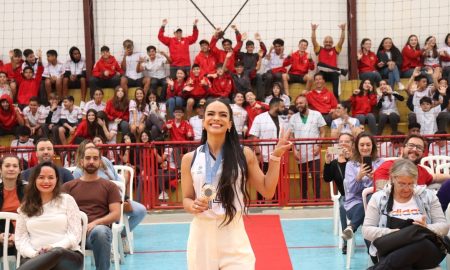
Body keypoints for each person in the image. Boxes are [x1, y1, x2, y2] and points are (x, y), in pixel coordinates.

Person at [181, 98, 292, 269]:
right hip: (201, 236)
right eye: (210, 114)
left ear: (230, 124)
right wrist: (192, 206)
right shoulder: (189, 159)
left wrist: (276, 156)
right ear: (203, 122)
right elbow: (187, 199)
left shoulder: (244, 154)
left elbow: (268, 191)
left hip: (233, 234)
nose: (216, 118)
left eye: (222, 115)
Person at [362, 159, 449, 269]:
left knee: (419, 242)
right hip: (392, 248)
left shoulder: (428, 196)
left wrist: (427, 228)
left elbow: (444, 226)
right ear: (392, 179)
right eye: (402, 184)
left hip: (426, 252)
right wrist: (391, 233)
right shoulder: (379, 198)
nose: (407, 189)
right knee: (406, 255)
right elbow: (366, 231)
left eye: (411, 184)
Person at [71, 140, 147, 252]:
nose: (92, 155)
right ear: (83, 156)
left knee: (141, 210)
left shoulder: (105, 161)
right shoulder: (78, 172)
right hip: (99, 202)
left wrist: (123, 198)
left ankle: (120, 236)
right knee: (109, 215)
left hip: (117, 197)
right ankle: (108, 240)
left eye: (94, 150)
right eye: (88, 152)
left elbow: (117, 180)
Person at [15, 162, 83, 270]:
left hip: (67, 255)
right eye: (41, 177)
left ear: (56, 180)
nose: (46, 181)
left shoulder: (67, 200)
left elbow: (75, 235)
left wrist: (52, 248)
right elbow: (20, 239)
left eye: (51, 177)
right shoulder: (25, 206)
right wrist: (34, 254)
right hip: (35, 258)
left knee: (56, 252)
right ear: (34, 180)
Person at [62, 146, 121, 270]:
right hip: (72, 233)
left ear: (100, 162)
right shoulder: (68, 187)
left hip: (94, 234)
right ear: (81, 161)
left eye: (95, 158)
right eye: (88, 158)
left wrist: (95, 223)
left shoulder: (110, 186)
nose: (91, 161)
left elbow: (116, 214)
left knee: (100, 232)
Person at [342, 132, 383, 240]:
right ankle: (373, 251)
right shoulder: (350, 165)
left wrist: (374, 178)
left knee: (369, 203)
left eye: (368, 145)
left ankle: (351, 227)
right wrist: (358, 177)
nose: (365, 148)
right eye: (362, 145)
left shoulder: (380, 163)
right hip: (354, 203)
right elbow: (350, 190)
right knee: (365, 206)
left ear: (373, 146)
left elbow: (384, 187)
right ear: (357, 147)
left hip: (376, 203)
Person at [249, 98, 288, 201]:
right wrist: (258, 154)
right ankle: (260, 202)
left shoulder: (282, 120)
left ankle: (275, 202)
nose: (284, 108)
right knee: (261, 182)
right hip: (263, 156)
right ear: (275, 106)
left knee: (276, 182)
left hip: (278, 157)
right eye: (282, 106)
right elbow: (254, 137)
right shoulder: (259, 118)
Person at [373, 134, 450, 185]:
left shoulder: (421, 171)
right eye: (411, 145)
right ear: (402, 149)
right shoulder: (387, 167)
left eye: (419, 148)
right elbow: (381, 197)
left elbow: (435, 177)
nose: (414, 149)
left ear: (423, 154)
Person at [290, 95, 326, 200]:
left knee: (316, 177)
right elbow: (291, 136)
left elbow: (323, 132)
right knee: (303, 178)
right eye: (297, 104)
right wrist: (294, 150)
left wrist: (319, 145)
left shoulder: (317, 114)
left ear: (306, 103)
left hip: (314, 150)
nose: (298, 105)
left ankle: (317, 199)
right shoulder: (293, 117)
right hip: (300, 152)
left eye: (301, 103)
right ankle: (304, 200)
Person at [323, 133, 353, 254]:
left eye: (347, 141)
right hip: (345, 195)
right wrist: (327, 162)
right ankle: (346, 241)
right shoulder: (335, 163)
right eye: (341, 141)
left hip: (357, 194)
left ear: (352, 144)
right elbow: (327, 178)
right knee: (342, 206)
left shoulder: (356, 159)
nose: (343, 144)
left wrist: (349, 159)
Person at [311, 23, 347, 100]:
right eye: (326, 42)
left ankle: (336, 99)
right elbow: (313, 41)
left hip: (332, 74)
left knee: (335, 75)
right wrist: (313, 30)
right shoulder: (319, 49)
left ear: (332, 43)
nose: (328, 43)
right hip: (322, 73)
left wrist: (343, 30)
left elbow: (341, 41)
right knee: (319, 66)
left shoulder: (335, 49)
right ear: (324, 43)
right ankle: (340, 71)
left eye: (330, 42)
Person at [0, 155, 26, 257]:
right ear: (0, 169)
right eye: (7, 166)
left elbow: (34, 216)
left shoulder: (29, 191)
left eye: (15, 166)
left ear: (19, 170)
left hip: (24, 233)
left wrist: (18, 236)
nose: (11, 169)